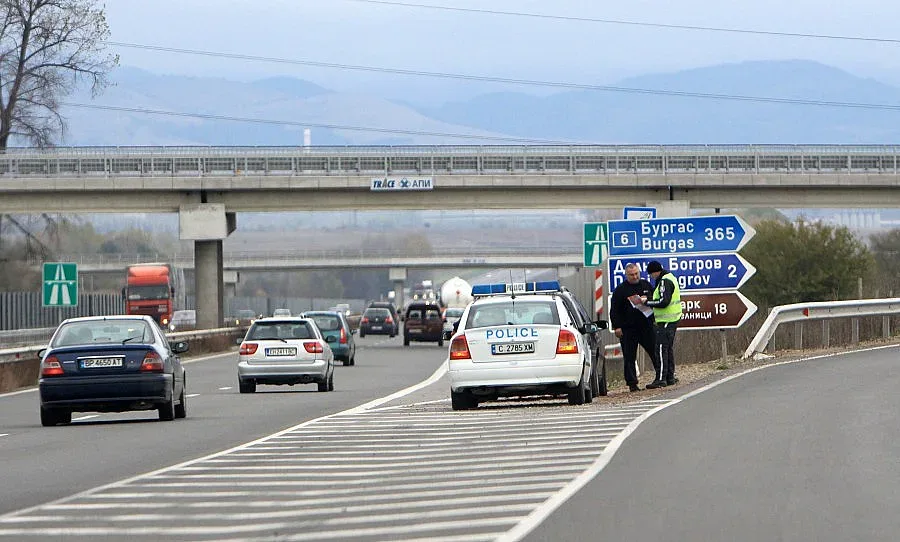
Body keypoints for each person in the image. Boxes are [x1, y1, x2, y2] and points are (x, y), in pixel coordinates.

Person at [609, 263, 657, 392]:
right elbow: (614, 310)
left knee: (655, 351)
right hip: (628, 328)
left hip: (646, 326)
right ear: (626, 275)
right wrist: (617, 327)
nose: (634, 276)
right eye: (631, 275)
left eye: (636, 274)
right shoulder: (620, 290)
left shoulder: (646, 285)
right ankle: (632, 383)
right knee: (629, 356)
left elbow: (656, 300)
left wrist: (647, 299)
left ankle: (661, 376)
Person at [639, 260, 682, 389]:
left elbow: (664, 302)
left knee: (661, 348)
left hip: (666, 320)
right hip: (671, 319)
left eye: (651, 274)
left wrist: (647, 303)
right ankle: (669, 377)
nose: (651, 277)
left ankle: (661, 379)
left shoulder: (664, 281)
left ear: (655, 272)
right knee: (667, 348)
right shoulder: (669, 278)